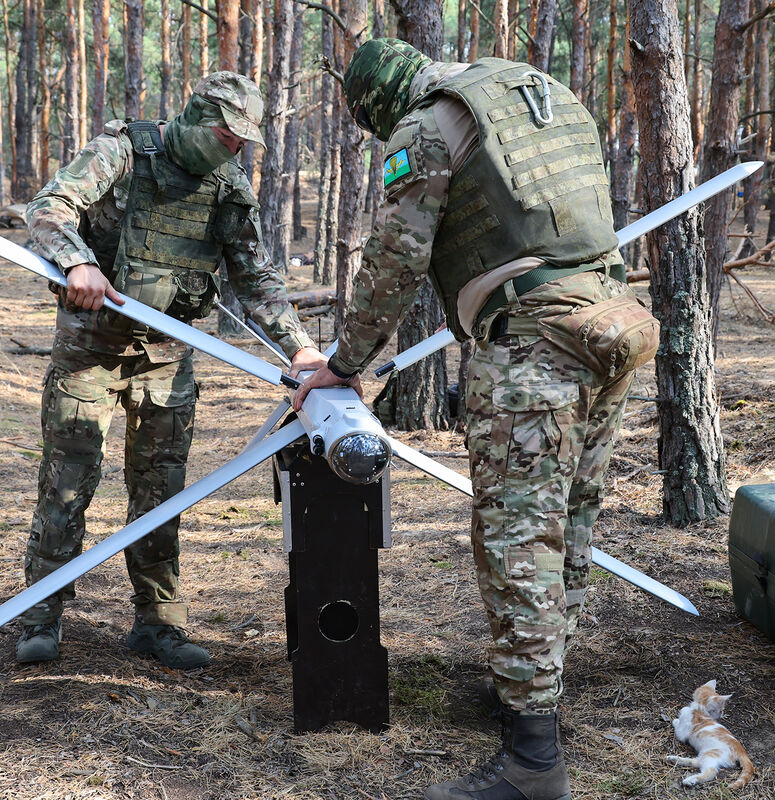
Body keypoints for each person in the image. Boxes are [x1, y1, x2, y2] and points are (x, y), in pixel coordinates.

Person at [294, 40, 659, 800]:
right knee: (571, 522)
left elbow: (396, 257)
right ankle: (533, 695)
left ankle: (533, 761)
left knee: (519, 539)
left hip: (532, 346)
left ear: (377, 103)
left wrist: (346, 362)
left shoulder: (428, 126)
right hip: (610, 324)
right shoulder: (538, 91)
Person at [21, 72, 324, 668]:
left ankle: (157, 621)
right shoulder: (122, 152)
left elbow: (256, 279)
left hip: (167, 360)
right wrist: (77, 262)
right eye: (226, 136)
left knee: (160, 493)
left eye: (243, 141)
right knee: (66, 485)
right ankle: (40, 614)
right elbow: (49, 208)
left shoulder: (227, 187)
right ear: (193, 117)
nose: (235, 148)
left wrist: (301, 349)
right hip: (91, 352)